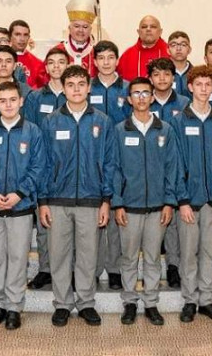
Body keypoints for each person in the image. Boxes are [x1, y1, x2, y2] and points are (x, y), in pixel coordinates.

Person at [39, 65, 117, 327]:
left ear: (88, 87)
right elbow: (44, 163)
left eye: (80, 84)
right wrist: (43, 201)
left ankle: (85, 303)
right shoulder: (51, 122)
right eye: (70, 84)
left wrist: (106, 200)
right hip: (57, 200)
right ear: (63, 87)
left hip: (91, 199)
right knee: (59, 255)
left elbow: (109, 163)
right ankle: (62, 304)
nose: (75, 89)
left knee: (87, 255)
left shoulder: (103, 122)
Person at [171, 65, 212, 324]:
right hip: (189, 202)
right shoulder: (177, 122)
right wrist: (182, 200)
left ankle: (206, 300)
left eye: (208, 85)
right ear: (189, 87)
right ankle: (189, 300)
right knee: (188, 253)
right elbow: (174, 163)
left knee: (208, 252)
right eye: (198, 84)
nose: (203, 89)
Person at [112, 77, 177, 326]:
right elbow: (114, 169)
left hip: (158, 207)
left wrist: (169, 202)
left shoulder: (166, 130)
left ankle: (151, 303)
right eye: (136, 93)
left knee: (151, 258)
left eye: (145, 93)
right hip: (129, 206)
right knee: (128, 257)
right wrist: (117, 203)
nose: (140, 97)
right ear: (129, 99)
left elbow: (172, 168)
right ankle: (130, 302)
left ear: (152, 97)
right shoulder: (119, 130)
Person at [0, 81, 46, 330]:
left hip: (21, 205)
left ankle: (14, 306)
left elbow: (38, 167)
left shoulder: (33, 132)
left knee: (18, 257)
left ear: (21, 101)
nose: (8, 105)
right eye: (3, 100)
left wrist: (20, 193)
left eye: (12, 100)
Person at [22, 47, 69, 289]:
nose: (56, 67)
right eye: (51, 62)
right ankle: (46, 268)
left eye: (61, 62)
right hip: (43, 165)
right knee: (44, 221)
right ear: (46, 67)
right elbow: (29, 131)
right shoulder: (35, 97)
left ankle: (69, 270)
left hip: (70, 166)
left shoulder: (75, 93)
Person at [89, 40, 129, 289]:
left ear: (117, 60)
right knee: (93, 216)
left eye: (110, 57)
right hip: (92, 156)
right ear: (94, 62)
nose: (105, 62)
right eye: (101, 57)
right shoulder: (85, 86)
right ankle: (91, 267)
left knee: (115, 214)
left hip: (122, 156)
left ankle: (114, 267)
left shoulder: (127, 89)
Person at [43, 0, 100, 78]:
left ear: (90, 30)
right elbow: (44, 78)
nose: (81, 30)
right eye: (76, 26)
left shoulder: (97, 53)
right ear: (69, 28)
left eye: (85, 27)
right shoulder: (56, 51)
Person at [117, 16, 170, 82]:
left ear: (160, 31)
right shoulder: (127, 55)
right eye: (144, 27)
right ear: (138, 32)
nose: (148, 29)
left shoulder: (170, 52)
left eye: (153, 26)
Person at [9, 19, 47, 88]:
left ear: (29, 37)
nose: (22, 39)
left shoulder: (38, 64)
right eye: (18, 34)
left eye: (25, 35)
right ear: (10, 37)